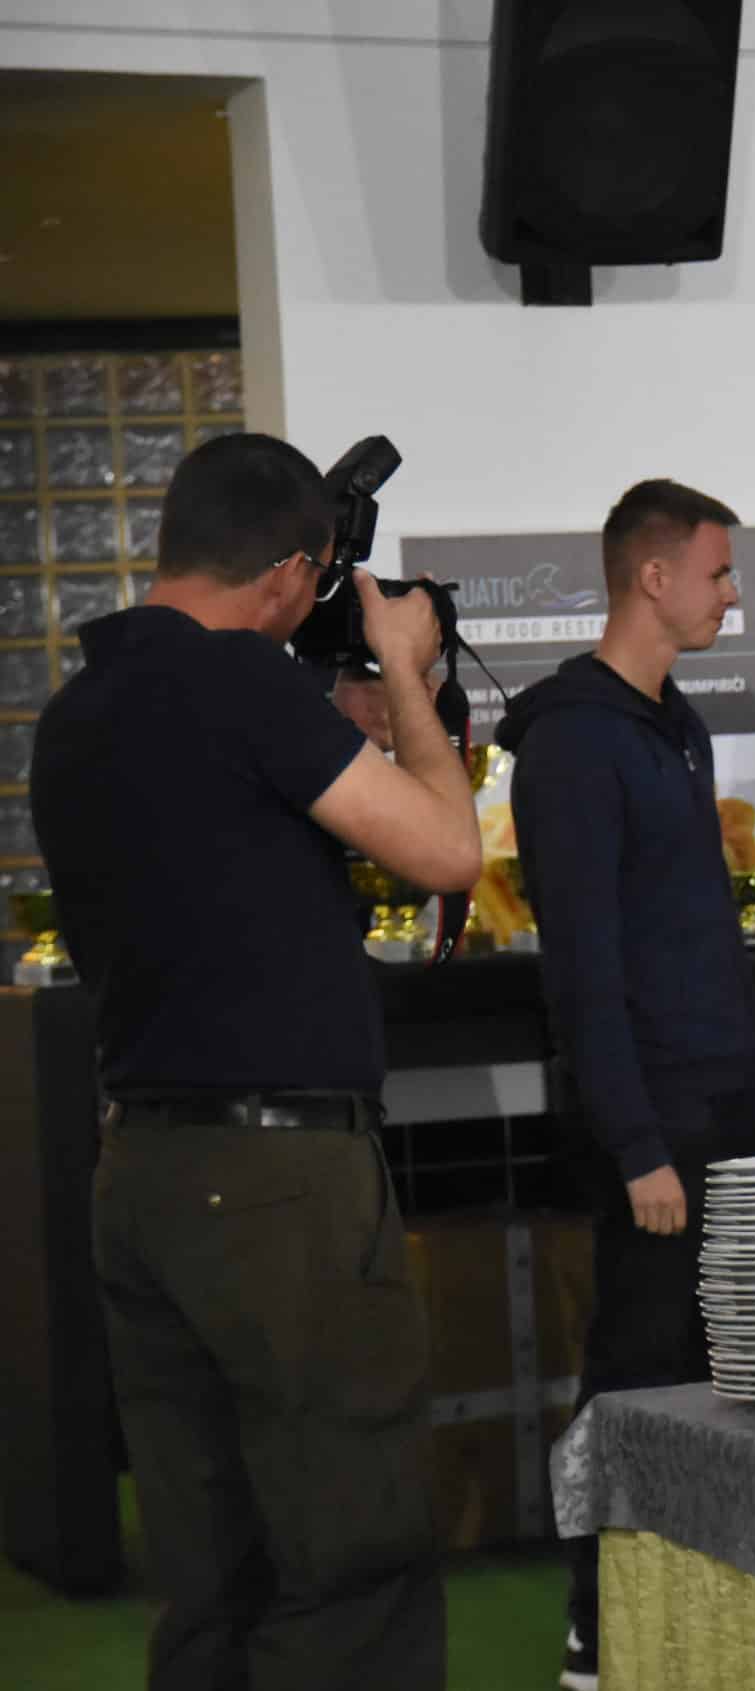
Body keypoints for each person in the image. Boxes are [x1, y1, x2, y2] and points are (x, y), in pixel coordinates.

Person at [30, 432, 479, 1690]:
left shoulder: (76, 714)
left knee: (208, 1567)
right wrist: (403, 672)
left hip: (141, 1170)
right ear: (290, 573)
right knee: (346, 1548)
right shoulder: (240, 687)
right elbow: (446, 852)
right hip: (278, 1183)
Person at [495, 479, 755, 1691]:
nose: (732, 595)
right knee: (635, 1377)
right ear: (653, 576)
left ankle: (701, 1620)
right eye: (721, 573)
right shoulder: (573, 741)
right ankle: (596, 1629)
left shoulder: (675, 723)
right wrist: (635, 1145)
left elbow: (701, 930)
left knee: (726, 1378)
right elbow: (582, 968)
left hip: (724, 1103)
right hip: (652, 1125)